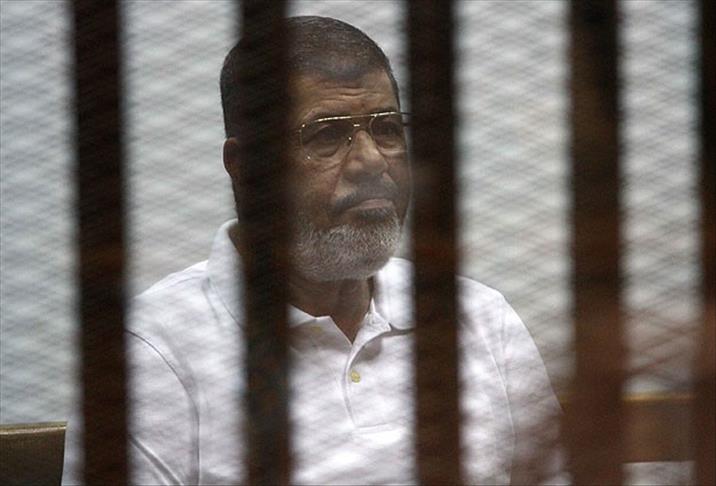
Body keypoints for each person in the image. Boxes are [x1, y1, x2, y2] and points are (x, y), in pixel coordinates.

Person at [64, 16, 563, 485]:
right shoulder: (153, 352)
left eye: (387, 129)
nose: (372, 161)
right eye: (327, 135)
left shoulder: (478, 317)